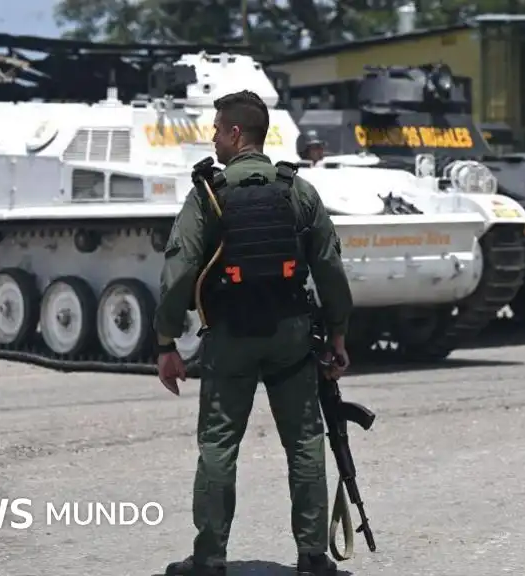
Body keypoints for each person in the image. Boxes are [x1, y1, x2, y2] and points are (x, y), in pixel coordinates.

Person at [154, 89, 354, 576]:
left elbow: (179, 271)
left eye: (219, 129)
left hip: (231, 337)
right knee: (305, 442)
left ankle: (210, 560)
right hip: (291, 335)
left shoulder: (209, 194)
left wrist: (166, 344)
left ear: (236, 133)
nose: (214, 138)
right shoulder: (298, 189)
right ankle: (312, 557)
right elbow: (329, 266)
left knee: (219, 445)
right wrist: (339, 334)